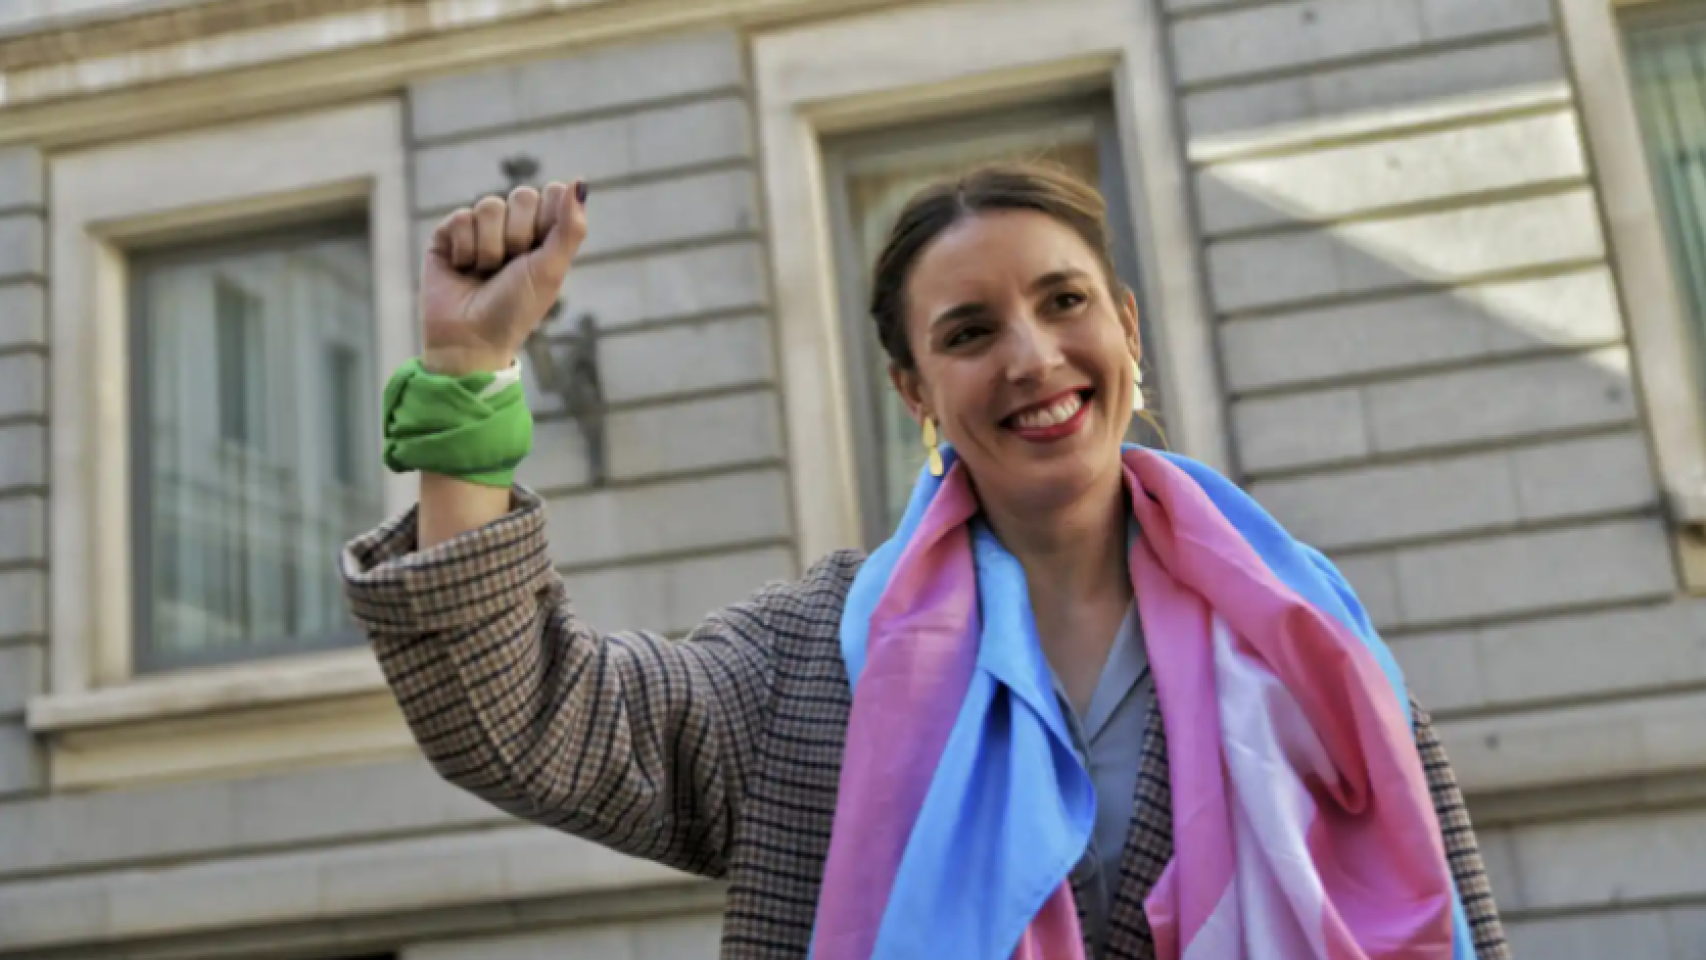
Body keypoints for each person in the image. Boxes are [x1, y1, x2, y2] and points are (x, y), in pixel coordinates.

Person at [343, 163, 1509, 960]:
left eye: (1064, 303)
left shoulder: (1307, 641)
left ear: (1127, 330)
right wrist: (465, 371)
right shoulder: (811, 663)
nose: (1033, 357)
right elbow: (524, 718)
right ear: (914, 391)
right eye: (966, 333)